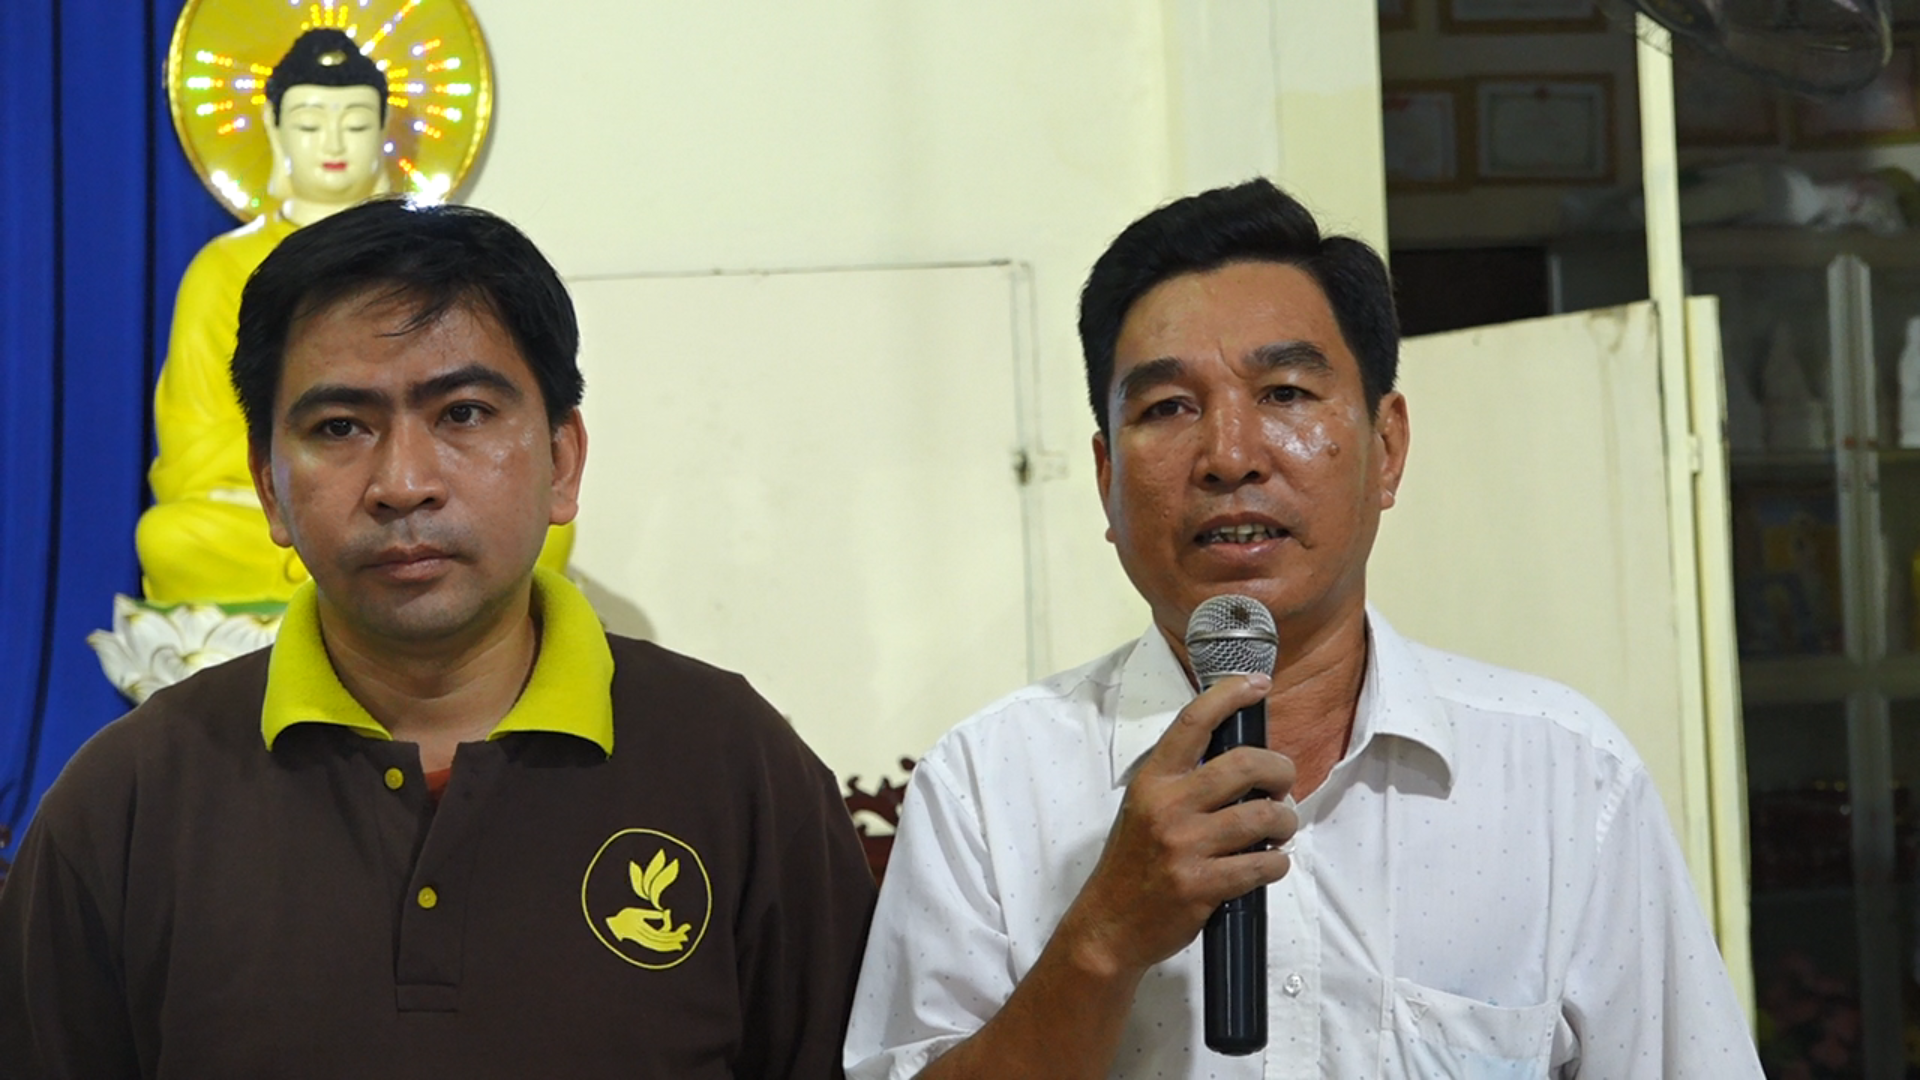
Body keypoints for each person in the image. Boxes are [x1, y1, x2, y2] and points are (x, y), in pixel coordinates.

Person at [843, 179, 1763, 1078]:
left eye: (1284, 393)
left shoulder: (1564, 778)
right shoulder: (987, 788)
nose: (1229, 456)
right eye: (1167, 407)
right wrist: (1102, 942)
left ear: (1387, 449)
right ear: (1106, 479)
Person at [0, 199, 875, 1078]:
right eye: (340, 427)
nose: (403, 482)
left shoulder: (732, 763)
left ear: (562, 461)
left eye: (462, 414)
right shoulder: (128, 801)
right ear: (269, 488)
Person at [138, 27, 570, 605]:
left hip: (376, 511)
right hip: (267, 510)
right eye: (310, 125)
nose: (334, 142)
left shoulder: (450, 269)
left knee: (546, 530)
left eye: (357, 124)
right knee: (172, 538)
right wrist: (290, 488)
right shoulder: (222, 268)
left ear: (385, 129)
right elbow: (193, 440)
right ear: (273, 128)